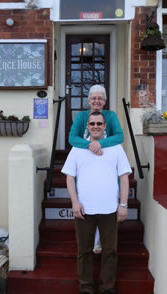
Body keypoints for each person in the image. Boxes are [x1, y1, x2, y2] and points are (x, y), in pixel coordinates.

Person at [62, 111, 131, 294]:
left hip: (109, 209)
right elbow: (70, 178)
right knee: (84, 251)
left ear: (105, 126)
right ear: (87, 126)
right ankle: (86, 287)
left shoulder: (116, 148)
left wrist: (123, 205)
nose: (95, 126)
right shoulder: (77, 149)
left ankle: (107, 288)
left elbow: (124, 177)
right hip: (84, 210)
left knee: (110, 251)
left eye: (99, 123)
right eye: (92, 123)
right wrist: (74, 202)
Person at [69, 84, 124, 253]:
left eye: (100, 98)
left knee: (107, 204)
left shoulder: (110, 116)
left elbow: (119, 136)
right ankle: (89, 241)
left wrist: (100, 143)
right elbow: (72, 138)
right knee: (87, 204)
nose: (97, 101)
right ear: (89, 100)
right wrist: (90, 145)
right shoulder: (81, 117)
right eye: (94, 98)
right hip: (87, 166)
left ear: (105, 101)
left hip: (107, 166)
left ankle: (101, 241)